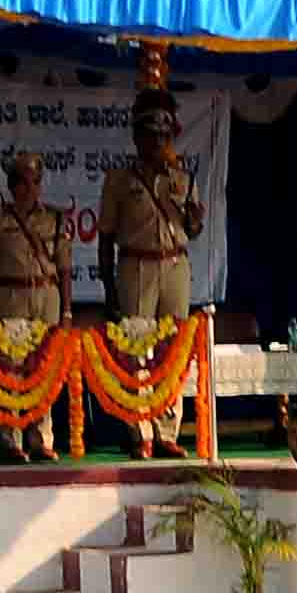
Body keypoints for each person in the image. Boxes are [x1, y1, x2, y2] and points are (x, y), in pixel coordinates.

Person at [98, 94, 203, 454]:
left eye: (163, 137)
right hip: (136, 266)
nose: (158, 143)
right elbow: (106, 236)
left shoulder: (183, 177)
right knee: (137, 351)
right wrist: (108, 286)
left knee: (172, 351)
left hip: (175, 264)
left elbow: (193, 228)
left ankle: (168, 432)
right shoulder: (119, 179)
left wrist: (193, 212)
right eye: (150, 136)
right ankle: (141, 433)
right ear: (137, 138)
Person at [0, 152, 69, 464]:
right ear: (13, 186)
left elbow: (65, 269)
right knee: (11, 373)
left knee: (44, 371)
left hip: (46, 297)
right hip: (10, 296)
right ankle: (12, 440)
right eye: (25, 182)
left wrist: (66, 310)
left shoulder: (55, 218)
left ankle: (41, 439)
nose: (31, 189)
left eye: (36, 182)